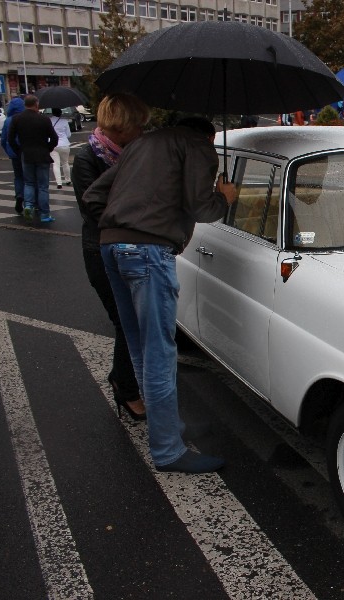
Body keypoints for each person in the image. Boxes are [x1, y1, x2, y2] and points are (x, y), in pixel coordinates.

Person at [84, 117, 237, 474]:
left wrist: (124, 224)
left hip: (111, 247)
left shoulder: (141, 144)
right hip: (148, 253)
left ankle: (165, 425)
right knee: (159, 352)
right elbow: (202, 208)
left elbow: (93, 197)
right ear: (209, 136)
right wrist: (224, 197)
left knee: (139, 345)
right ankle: (168, 450)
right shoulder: (199, 147)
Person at [72, 93, 151, 422]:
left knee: (135, 320)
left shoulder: (135, 153)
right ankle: (126, 388)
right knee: (125, 320)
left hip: (134, 247)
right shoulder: (87, 159)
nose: (141, 132)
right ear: (120, 127)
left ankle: (125, 380)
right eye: (137, 127)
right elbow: (95, 210)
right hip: (102, 250)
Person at [8, 95, 58, 222]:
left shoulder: (17, 119)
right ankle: (44, 214)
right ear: (36, 104)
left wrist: (19, 151)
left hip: (26, 154)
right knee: (43, 186)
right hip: (42, 155)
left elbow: (10, 139)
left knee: (29, 183)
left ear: (25, 105)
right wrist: (48, 148)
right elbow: (54, 138)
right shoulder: (44, 119)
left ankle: (29, 206)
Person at [0, 97, 26, 214]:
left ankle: (19, 196)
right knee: (29, 178)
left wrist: (9, 151)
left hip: (14, 154)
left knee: (18, 177)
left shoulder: (7, 121)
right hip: (25, 152)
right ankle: (30, 201)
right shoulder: (24, 118)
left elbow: (3, 140)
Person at [49, 108, 72, 189]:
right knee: (65, 162)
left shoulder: (49, 121)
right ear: (60, 113)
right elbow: (68, 134)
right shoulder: (64, 121)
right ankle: (68, 180)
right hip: (64, 144)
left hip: (53, 144)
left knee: (56, 164)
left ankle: (59, 183)